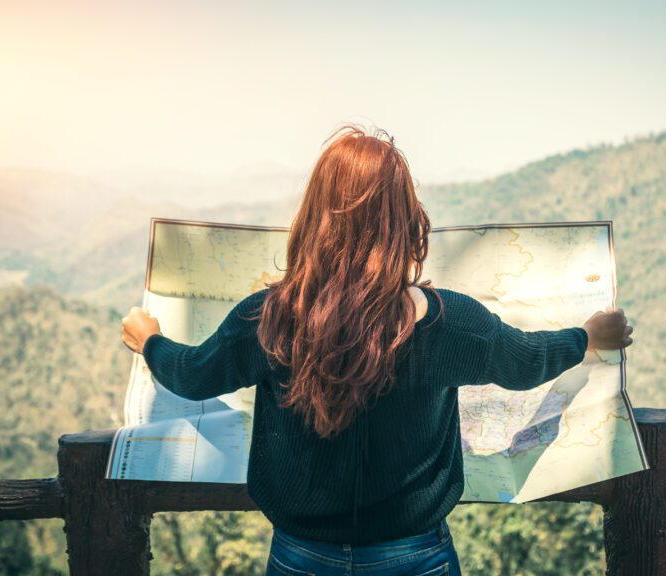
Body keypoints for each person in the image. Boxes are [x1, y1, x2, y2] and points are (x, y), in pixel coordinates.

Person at [120, 124, 634, 575]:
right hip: (415, 555)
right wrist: (587, 337)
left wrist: (149, 339)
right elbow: (525, 363)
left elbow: (191, 376)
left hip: (301, 555)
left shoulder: (268, 318)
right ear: (403, 217)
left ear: (315, 216)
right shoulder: (447, 321)